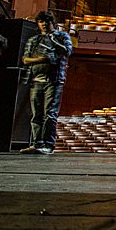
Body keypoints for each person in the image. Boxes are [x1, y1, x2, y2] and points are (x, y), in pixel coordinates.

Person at [20, 11, 73, 155]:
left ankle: (48, 145)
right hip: (36, 80)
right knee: (36, 114)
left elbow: (68, 51)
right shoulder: (34, 40)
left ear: (53, 23)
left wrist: (54, 42)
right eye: (41, 22)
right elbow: (25, 59)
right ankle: (36, 143)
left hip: (54, 80)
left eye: (46, 22)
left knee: (50, 113)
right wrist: (43, 59)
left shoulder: (62, 36)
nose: (43, 24)